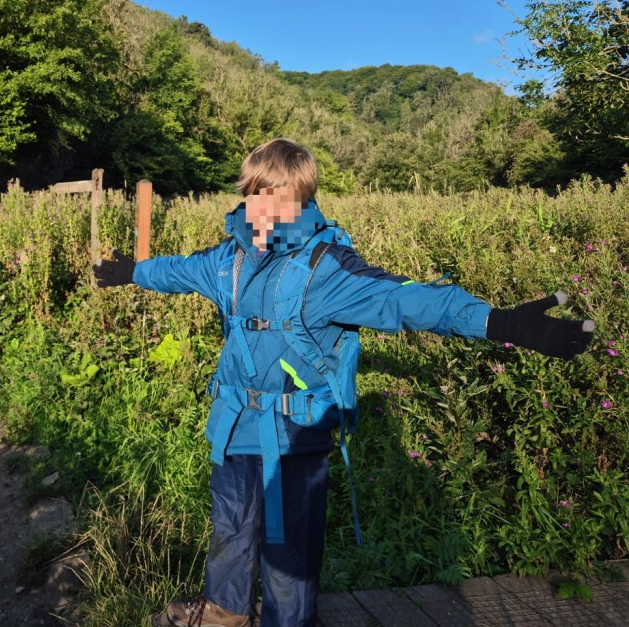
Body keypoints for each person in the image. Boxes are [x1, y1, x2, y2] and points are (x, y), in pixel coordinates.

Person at [92, 138, 594, 627]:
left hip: (295, 437)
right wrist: (132, 271)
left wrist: (498, 323)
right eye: (253, 192)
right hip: (234, 429)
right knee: (230, 531)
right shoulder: (230, 259)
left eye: (274, 196)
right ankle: (227, 612)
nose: (259, 206)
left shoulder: (327, 269)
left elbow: (410, 300)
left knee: (290, 559)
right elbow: (180, 270)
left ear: (300, 200)